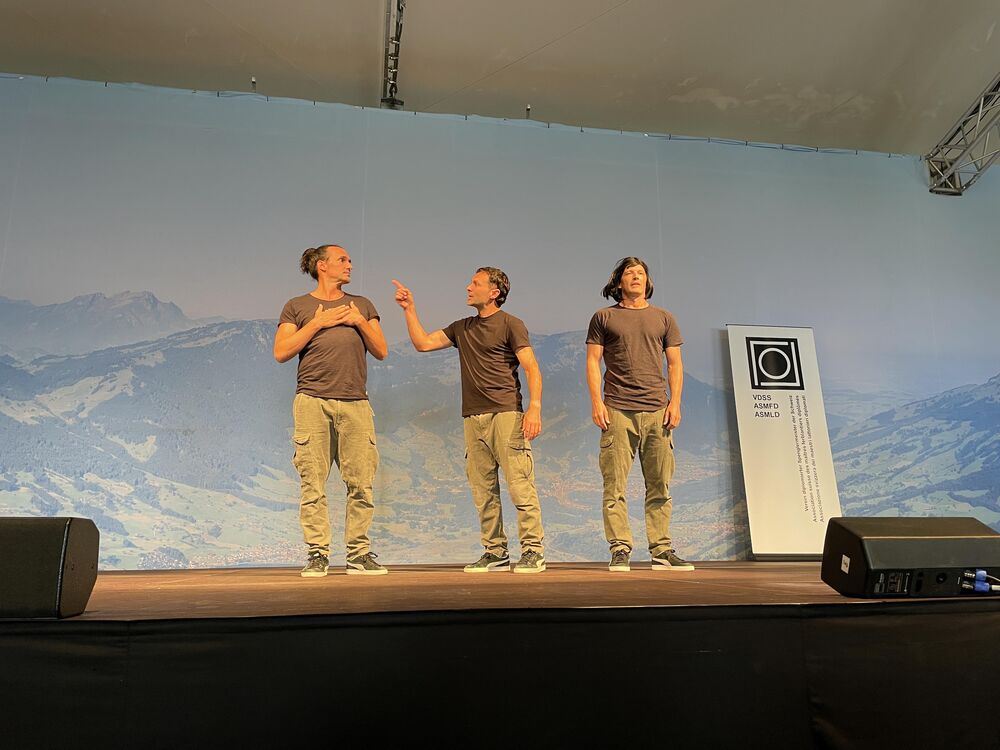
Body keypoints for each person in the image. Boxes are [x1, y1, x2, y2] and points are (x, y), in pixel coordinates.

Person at [392, 268, 547, 573]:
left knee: (519, 485)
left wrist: (535, 408)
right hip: (472, 417)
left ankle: (533, 551)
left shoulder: (511, 324)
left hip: (506, 414)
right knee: (483, 489)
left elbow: (531, 367)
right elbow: (423, 343)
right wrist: (410, 310)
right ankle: (495, 551)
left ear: (494, 292)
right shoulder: (461, 328)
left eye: (475, 283)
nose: (468, 287)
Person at [274, 244, 389, 577]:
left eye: (350, 260)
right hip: (312, 401)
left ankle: (358, 553)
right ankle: (318, 553)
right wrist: (317, 324)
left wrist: (358, 321)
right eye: (343, 260)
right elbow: (281, 351)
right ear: (322, 266)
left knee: (361, 482)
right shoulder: (297, 306)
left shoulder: (362, 305)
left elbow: (380, 350)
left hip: (355, 402)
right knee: (313, 481)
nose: (349, 264)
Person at [586, 257, 694, 572]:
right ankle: (619, 549)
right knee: (615, 485)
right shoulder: (604, 317)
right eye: (629, 273)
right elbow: (593, 361)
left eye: (641, 273)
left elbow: (675, 363)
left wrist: (675, 403)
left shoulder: (664, 318)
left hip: (658, 410)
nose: (636, 276)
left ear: (647, 282)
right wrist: (597, 402)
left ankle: (662, 550)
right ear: (619, 282)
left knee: (660, 484)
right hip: (617, 409)